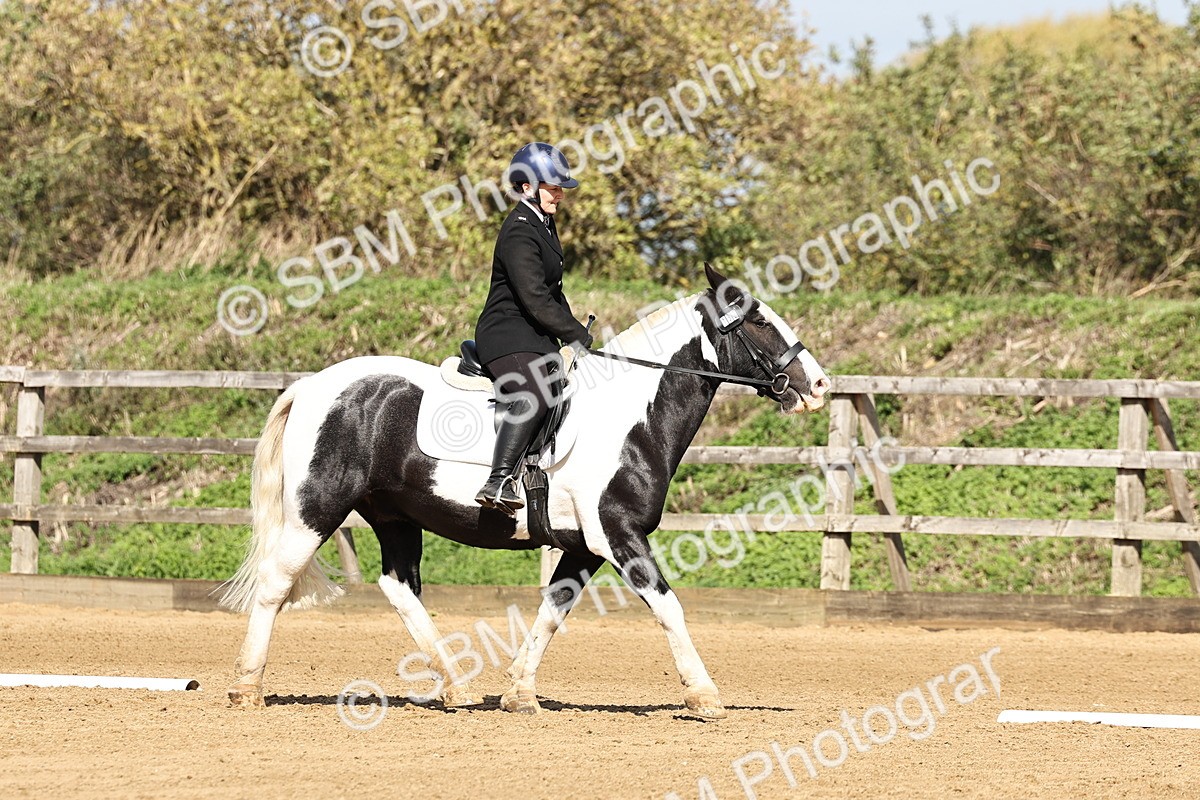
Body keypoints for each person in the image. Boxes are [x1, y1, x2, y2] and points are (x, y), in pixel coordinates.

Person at [473, 142, 593, 514]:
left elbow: (554, 292)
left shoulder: (544, 223)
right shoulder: (519, 231)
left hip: (534, 336)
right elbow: (534, 297)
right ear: (527, 186)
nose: (559, 194)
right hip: (506, 334)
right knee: (537, 388)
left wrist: (579, 334)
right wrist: (573, 333)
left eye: (560, 187)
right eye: (553, 186)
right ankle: (499, 479)